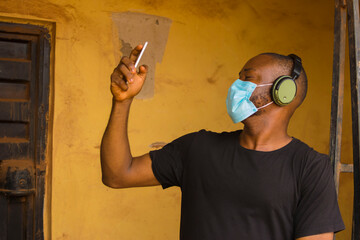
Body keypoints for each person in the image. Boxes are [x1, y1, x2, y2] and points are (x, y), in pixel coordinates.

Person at [100, 45, 345, 240]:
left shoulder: (310, 168)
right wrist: (122, 102)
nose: (236, 86)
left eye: (248, 78)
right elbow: (118, 175)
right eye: (238, 78)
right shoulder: (197, 148)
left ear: (283, 92)